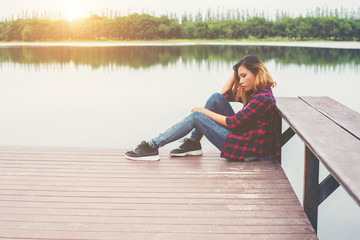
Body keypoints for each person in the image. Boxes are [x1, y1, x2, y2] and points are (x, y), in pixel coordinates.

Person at [125, 55, 280, 161]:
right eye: (239, 77)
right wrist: (235, 73)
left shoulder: (261, 98)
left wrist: (203, 112)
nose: (240, 81)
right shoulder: (257, 92)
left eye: (244, 76)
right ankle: (193, 142)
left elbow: (233, 123)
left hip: (246, 149)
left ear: (257, 72)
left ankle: (153, 145)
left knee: (197, 116)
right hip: (246, 140)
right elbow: (223, 95)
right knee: (215, 98)